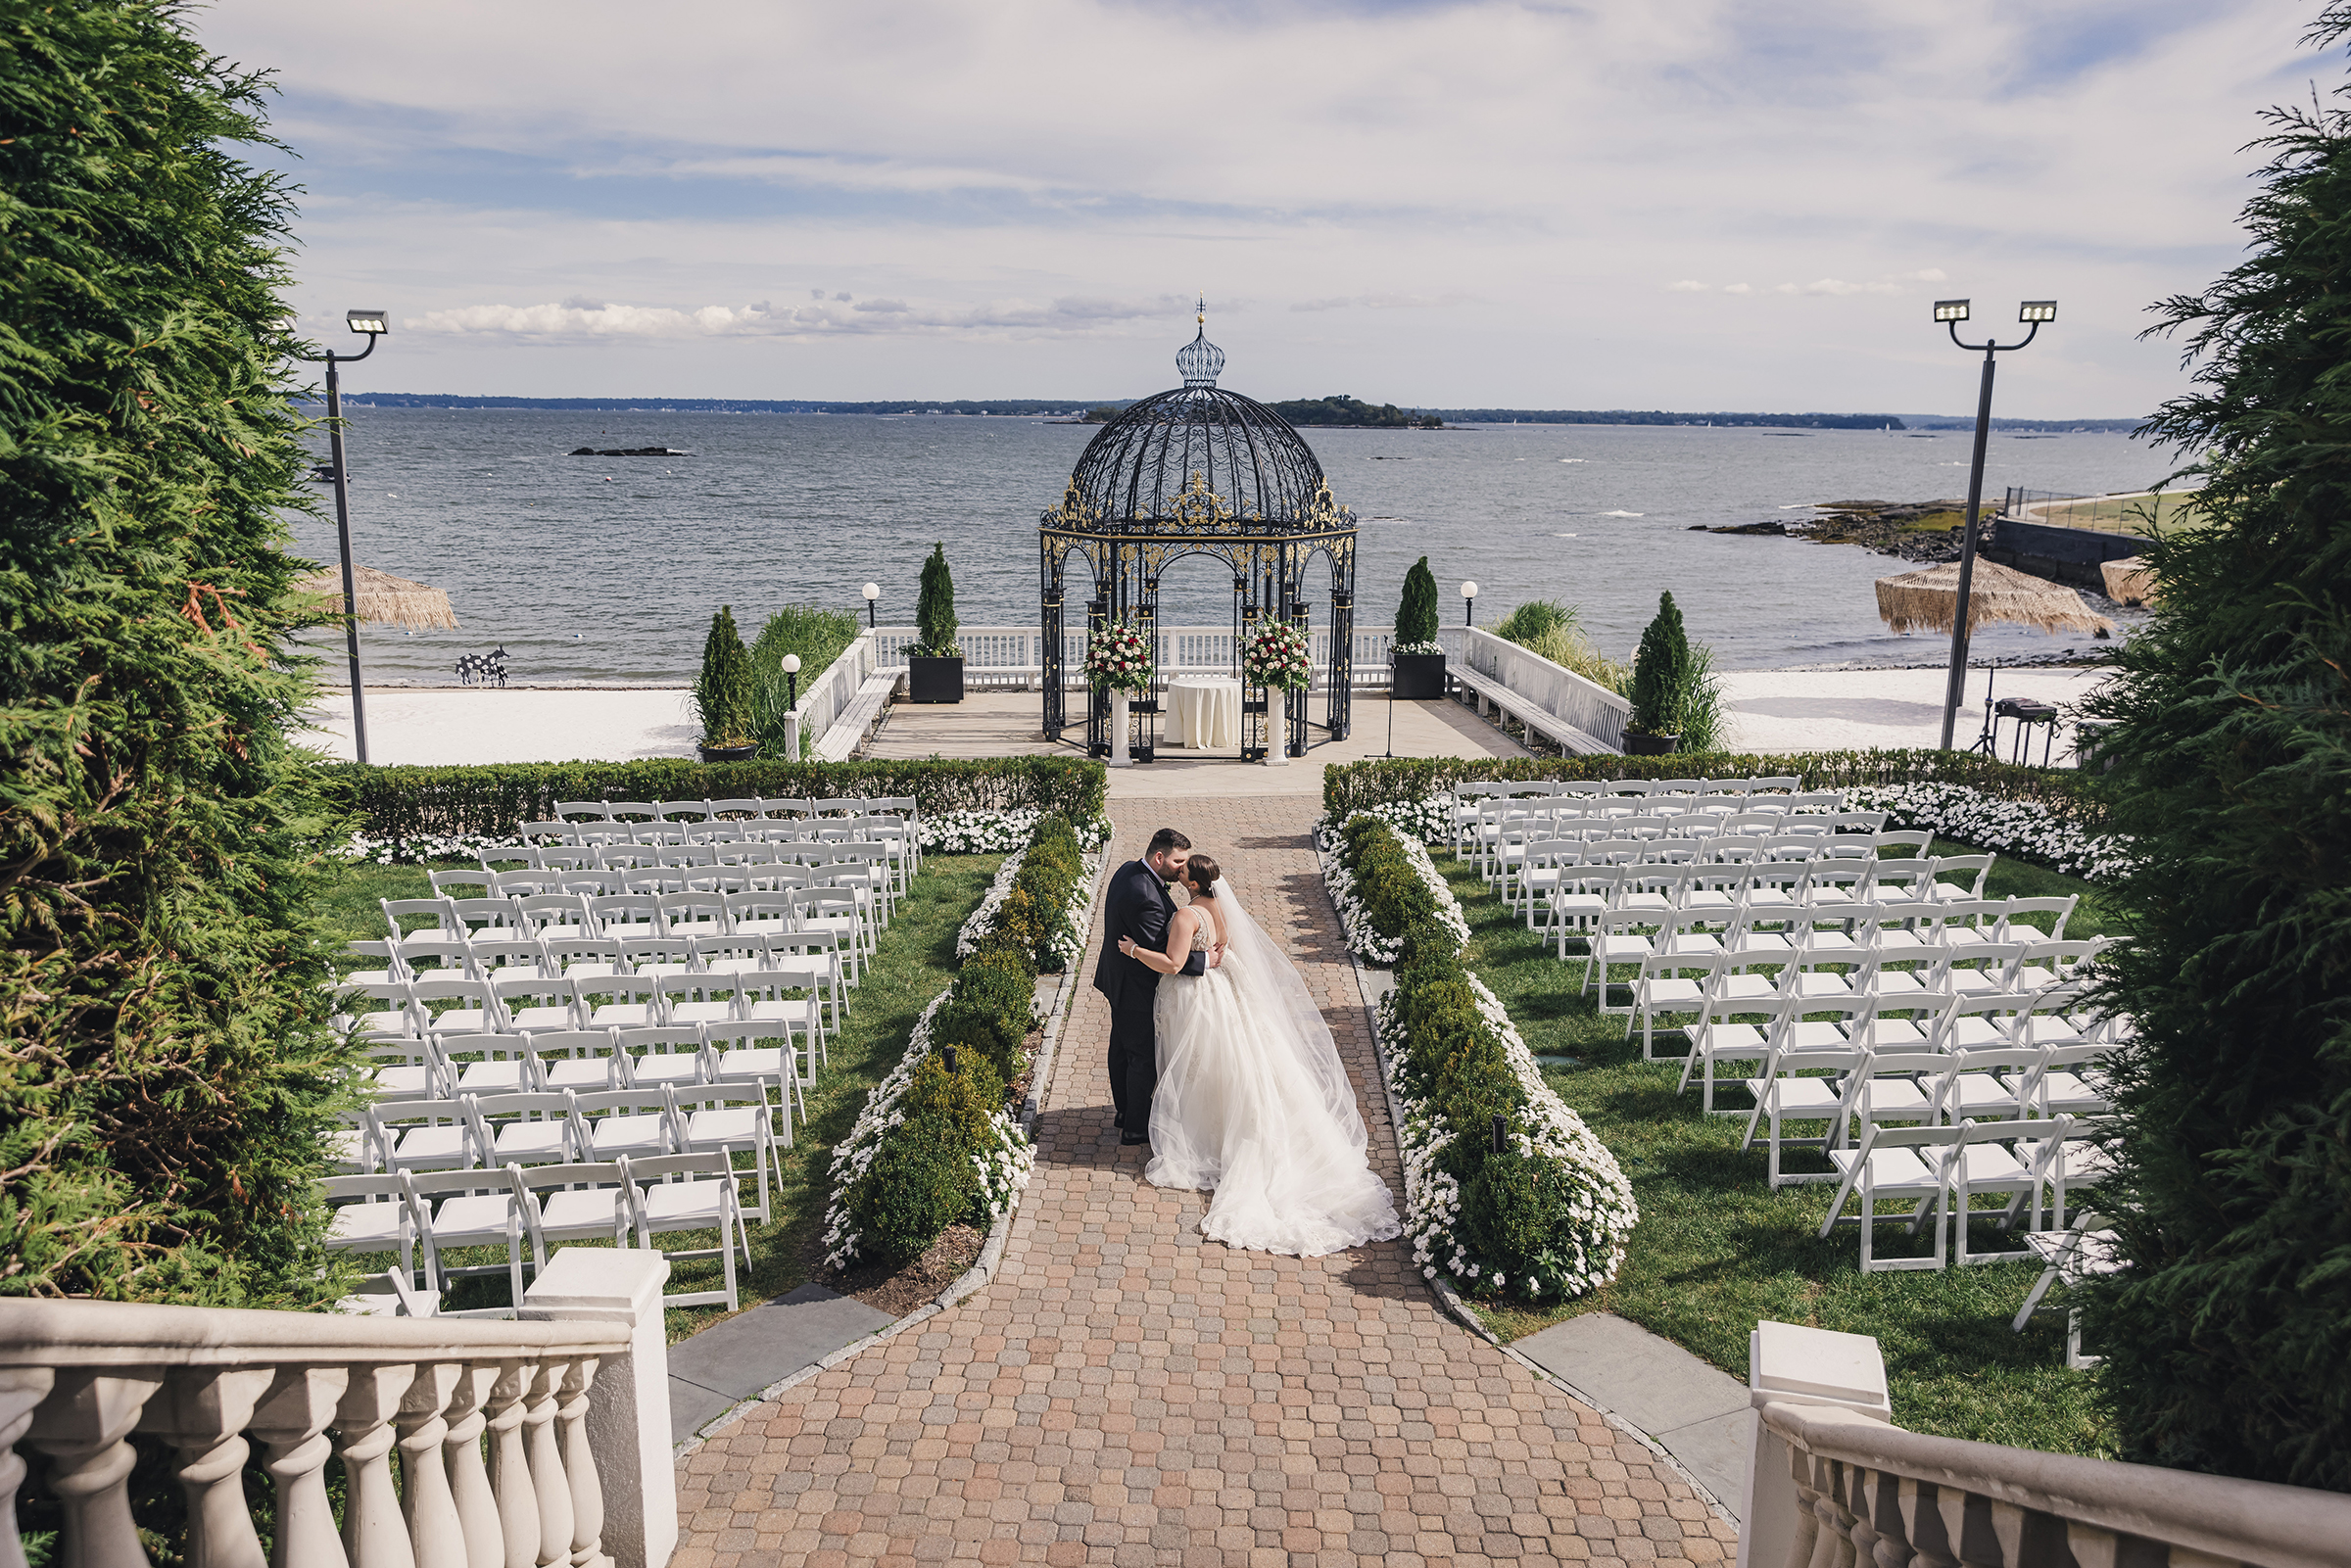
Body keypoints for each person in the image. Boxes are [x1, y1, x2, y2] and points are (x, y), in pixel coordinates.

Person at [1117, 852, 1401, 1258]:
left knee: (1199, 1065)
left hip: (1197, 998)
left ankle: (1204, 1137)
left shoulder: (1185, 917)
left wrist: (1132, 951)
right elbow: (1221, 948)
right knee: (1226, 1063)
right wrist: (1210, 959)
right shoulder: (1218, 906)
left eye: (1183, 871)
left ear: (1193, 883)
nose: (1177, 874)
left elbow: (1173, 963)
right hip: (1224, 991)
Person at [1092, 827, 1206, 1146]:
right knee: (1141, 1057)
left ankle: (1124, 1111)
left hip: (1117, 978)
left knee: (1121, 1048)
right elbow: (1165, 954)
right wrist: (1206, 961)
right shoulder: (1145, 896)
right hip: (1136, 988)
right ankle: (1136, 1128)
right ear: (1159, 857)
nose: (1183, 869)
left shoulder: (1129, 868)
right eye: (1178, 862)